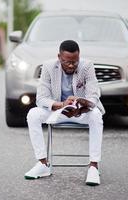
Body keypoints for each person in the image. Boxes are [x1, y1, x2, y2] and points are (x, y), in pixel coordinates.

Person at [25, 40, 105, 186]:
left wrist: (80, 106)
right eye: (66, 62)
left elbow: (93, 96)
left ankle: (93, 166)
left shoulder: (87, 66)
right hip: (58, 111)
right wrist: (61, 105)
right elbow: (41, 98)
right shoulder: (48, 67)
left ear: (79, 57)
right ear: (59, 57)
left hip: (81, 112)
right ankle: (43, 164)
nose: (71, 65)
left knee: (96, 116)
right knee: (33, 114)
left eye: (75, 62)